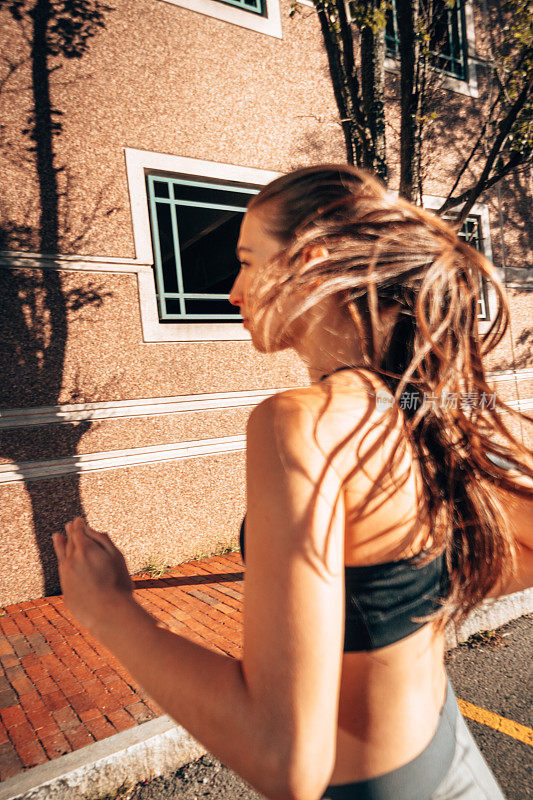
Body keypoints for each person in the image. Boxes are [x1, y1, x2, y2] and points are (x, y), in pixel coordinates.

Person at [53, 164, 533, 800]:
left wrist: (109, 610)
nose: (234, 292)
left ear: (311, 260)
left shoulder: (298, 425)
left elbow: (286, 762)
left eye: (249, 262)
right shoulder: (414, 404)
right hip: (451, 757)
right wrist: (416, 600)